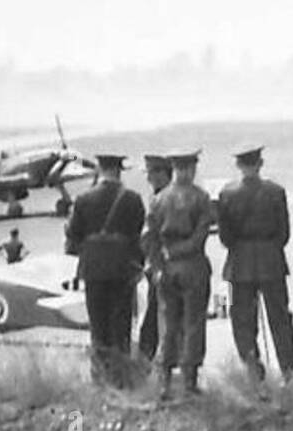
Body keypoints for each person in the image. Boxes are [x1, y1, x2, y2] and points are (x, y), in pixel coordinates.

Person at [64, 153, 146, 386]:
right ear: (120, 170)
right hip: (122, 268)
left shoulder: (83, 199)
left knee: (98, 324)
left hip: (93, 269)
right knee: (121, 324)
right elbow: (137, 234)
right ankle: (121, 377)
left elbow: (73, 236)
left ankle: (100, 378)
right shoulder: (132, 199)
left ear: (99, 170)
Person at [217, 144, 293, 382]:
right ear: (260, 164)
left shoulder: (227, 194)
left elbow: (225, 237)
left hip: (239, 263)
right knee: (280, 317)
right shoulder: (276, 191)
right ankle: (288, 371)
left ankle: (253, 369)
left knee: (242, 319)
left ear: (239, 165)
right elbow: (284, 234)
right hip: (271, 260)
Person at [141, 148, 214, 396]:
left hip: (166, 268)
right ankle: (190, 380)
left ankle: (164, 381)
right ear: (191, 169)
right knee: (193, 322)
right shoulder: (201, 198)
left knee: (167, 322)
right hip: (192, 264)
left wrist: (158, 264)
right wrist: (181, 251)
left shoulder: (159, 199)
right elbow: (201, 235)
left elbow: (147, 237)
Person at [139, 154, 174, 361]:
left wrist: (151, 262)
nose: (148, 179)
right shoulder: (172, 195)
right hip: (175, 264)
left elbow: (148, 237)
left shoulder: (159, 199)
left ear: (162, 174)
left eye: (151, 173)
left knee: (154, 317)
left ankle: (149, 359)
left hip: (160, 266)